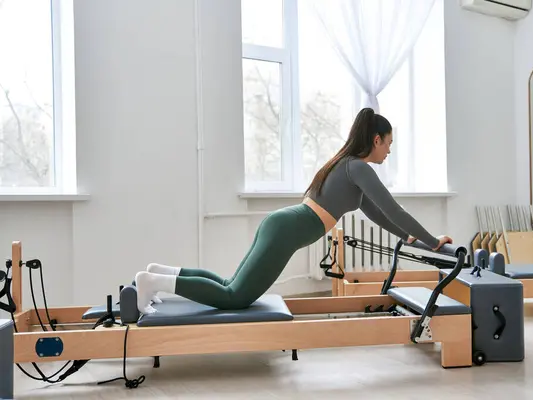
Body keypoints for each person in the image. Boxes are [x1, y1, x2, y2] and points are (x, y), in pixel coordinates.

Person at [134, 107, 453, 314]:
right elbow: (394, 209)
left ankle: (163, 272)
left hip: (282, 223)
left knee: (231, 282)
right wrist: (431, 240)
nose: (390, 150)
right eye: (388, 143)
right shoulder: (359, 168)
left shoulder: (347, 166)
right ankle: (153, 282)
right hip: (286, 231)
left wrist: (415, 240)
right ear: (376, 139)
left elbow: (381, 215)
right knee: (236, 296)